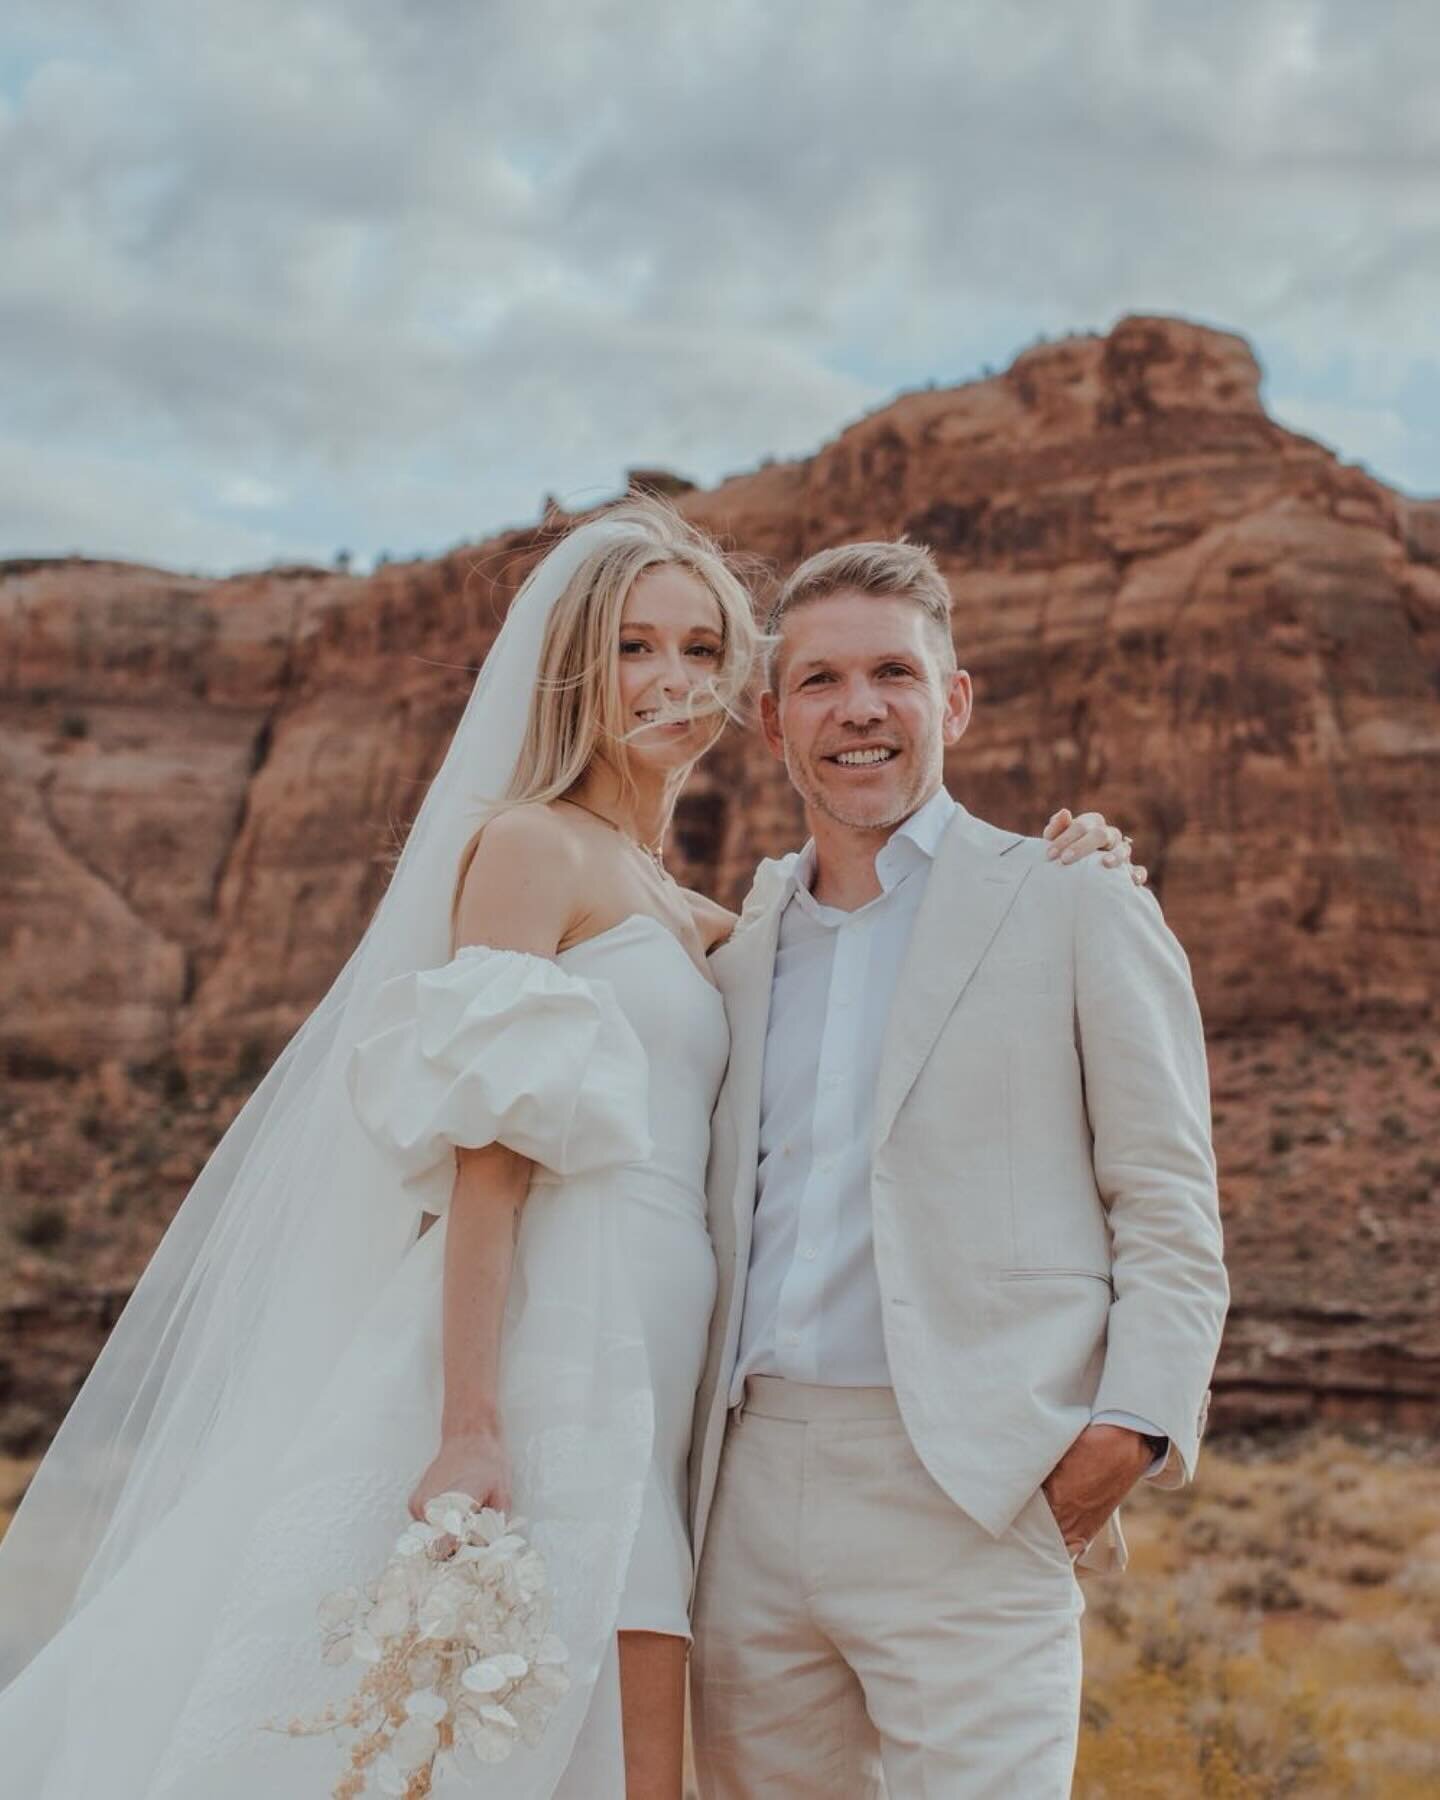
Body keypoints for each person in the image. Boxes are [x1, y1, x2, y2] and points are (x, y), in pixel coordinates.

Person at [0, 502, 1138, 1799]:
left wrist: (1063, 866)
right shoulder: (529, 850)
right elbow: (491, 1150)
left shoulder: (707, 910)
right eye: (633, 649)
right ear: (573, 674)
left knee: (622, 1758)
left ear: (737, 689)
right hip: (560, 1359)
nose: (671, 682)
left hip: (671, 1390)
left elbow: (867, 932)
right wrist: (474, 1423)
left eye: (703, 651)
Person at [687, 539, 1230, 1797]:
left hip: (978, 1485)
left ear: (956, 700)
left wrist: (1133, 1429)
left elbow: (1166, 1194)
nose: (859, 707)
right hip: (744, 1490)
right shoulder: (736, 941)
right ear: (773, 720)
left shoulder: (1073, 897)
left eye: (894, 672)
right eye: (820, 681)